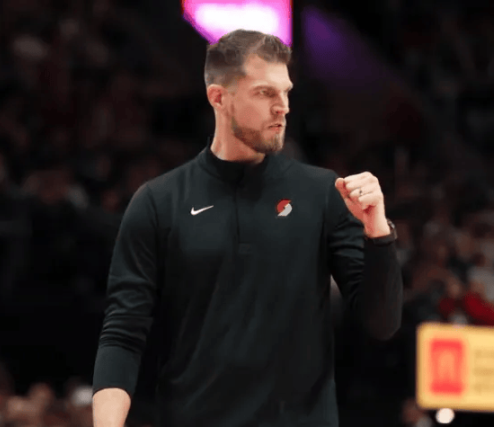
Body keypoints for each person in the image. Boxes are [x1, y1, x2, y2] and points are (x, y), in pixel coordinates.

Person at [91, 29, 403, 427]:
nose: (283, 107)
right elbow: (122, 334)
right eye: (264, 93)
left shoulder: (324, 193)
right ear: (219, 98)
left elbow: (382, 323)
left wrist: (378, 232)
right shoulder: (158, 202)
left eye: (286, 92)